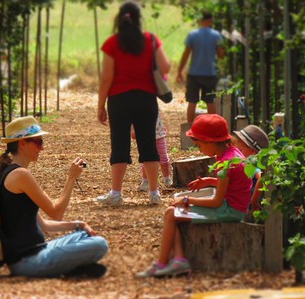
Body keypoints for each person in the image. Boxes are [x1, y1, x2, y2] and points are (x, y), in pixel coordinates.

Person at [136, 114, 252, 278]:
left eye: (199, 145)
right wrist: (209, 181)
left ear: (210, 141)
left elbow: (216, 201)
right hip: (233, 205)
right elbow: (234, 184)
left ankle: (163, 264)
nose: (199, 150)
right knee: (172, 212)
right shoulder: (232, 153)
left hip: (230, 210)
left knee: (171, 213)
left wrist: (186, 199)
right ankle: (178, 260)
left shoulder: (225, 164)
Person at [0, 116, 108, 278]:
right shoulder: (21, 175)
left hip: (37, 251)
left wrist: (79, 224)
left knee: (84, 234)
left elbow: (44, 225)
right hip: (29, 262)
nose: (41, 148)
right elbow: (56, 213)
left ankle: (69, 267)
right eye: (38, 142)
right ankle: (67, 267)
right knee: (100, 244)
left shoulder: (11, 172)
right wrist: (71, 179)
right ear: (22, 143)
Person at [96, 0, 171, 206]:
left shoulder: (112, 43)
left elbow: (106, 78)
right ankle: (154, 193)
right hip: (146, 99)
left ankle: (116, 194)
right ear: (139, 19)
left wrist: (101, 105)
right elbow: (165, 67)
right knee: (148, 143)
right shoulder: (150, 40)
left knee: (119, 144)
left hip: (119, 100)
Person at [176, 11, 225, 123]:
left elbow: (186, 54)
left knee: (192, 102)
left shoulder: (193, 35)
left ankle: (190, 128)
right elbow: (221, 55)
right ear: (210, 20)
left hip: (194, 74)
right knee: (210, 102)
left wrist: (179, 71)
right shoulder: (216, 35)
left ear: (200, 20)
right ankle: (213, 128)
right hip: (210, 74)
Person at [231, 125, 269, 212]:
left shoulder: (252, 165)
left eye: (240, 150)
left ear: (253, 152)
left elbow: (261, 178)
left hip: (249, 205)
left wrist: (254, 201)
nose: (237, 154)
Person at [130, 115, 172, 191]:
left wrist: (163, 124)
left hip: (159, 134)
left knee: (163, 158)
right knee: (146, 159)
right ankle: (145, 181)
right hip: (144, 135)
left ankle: (167, 178)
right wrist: (133, 129)